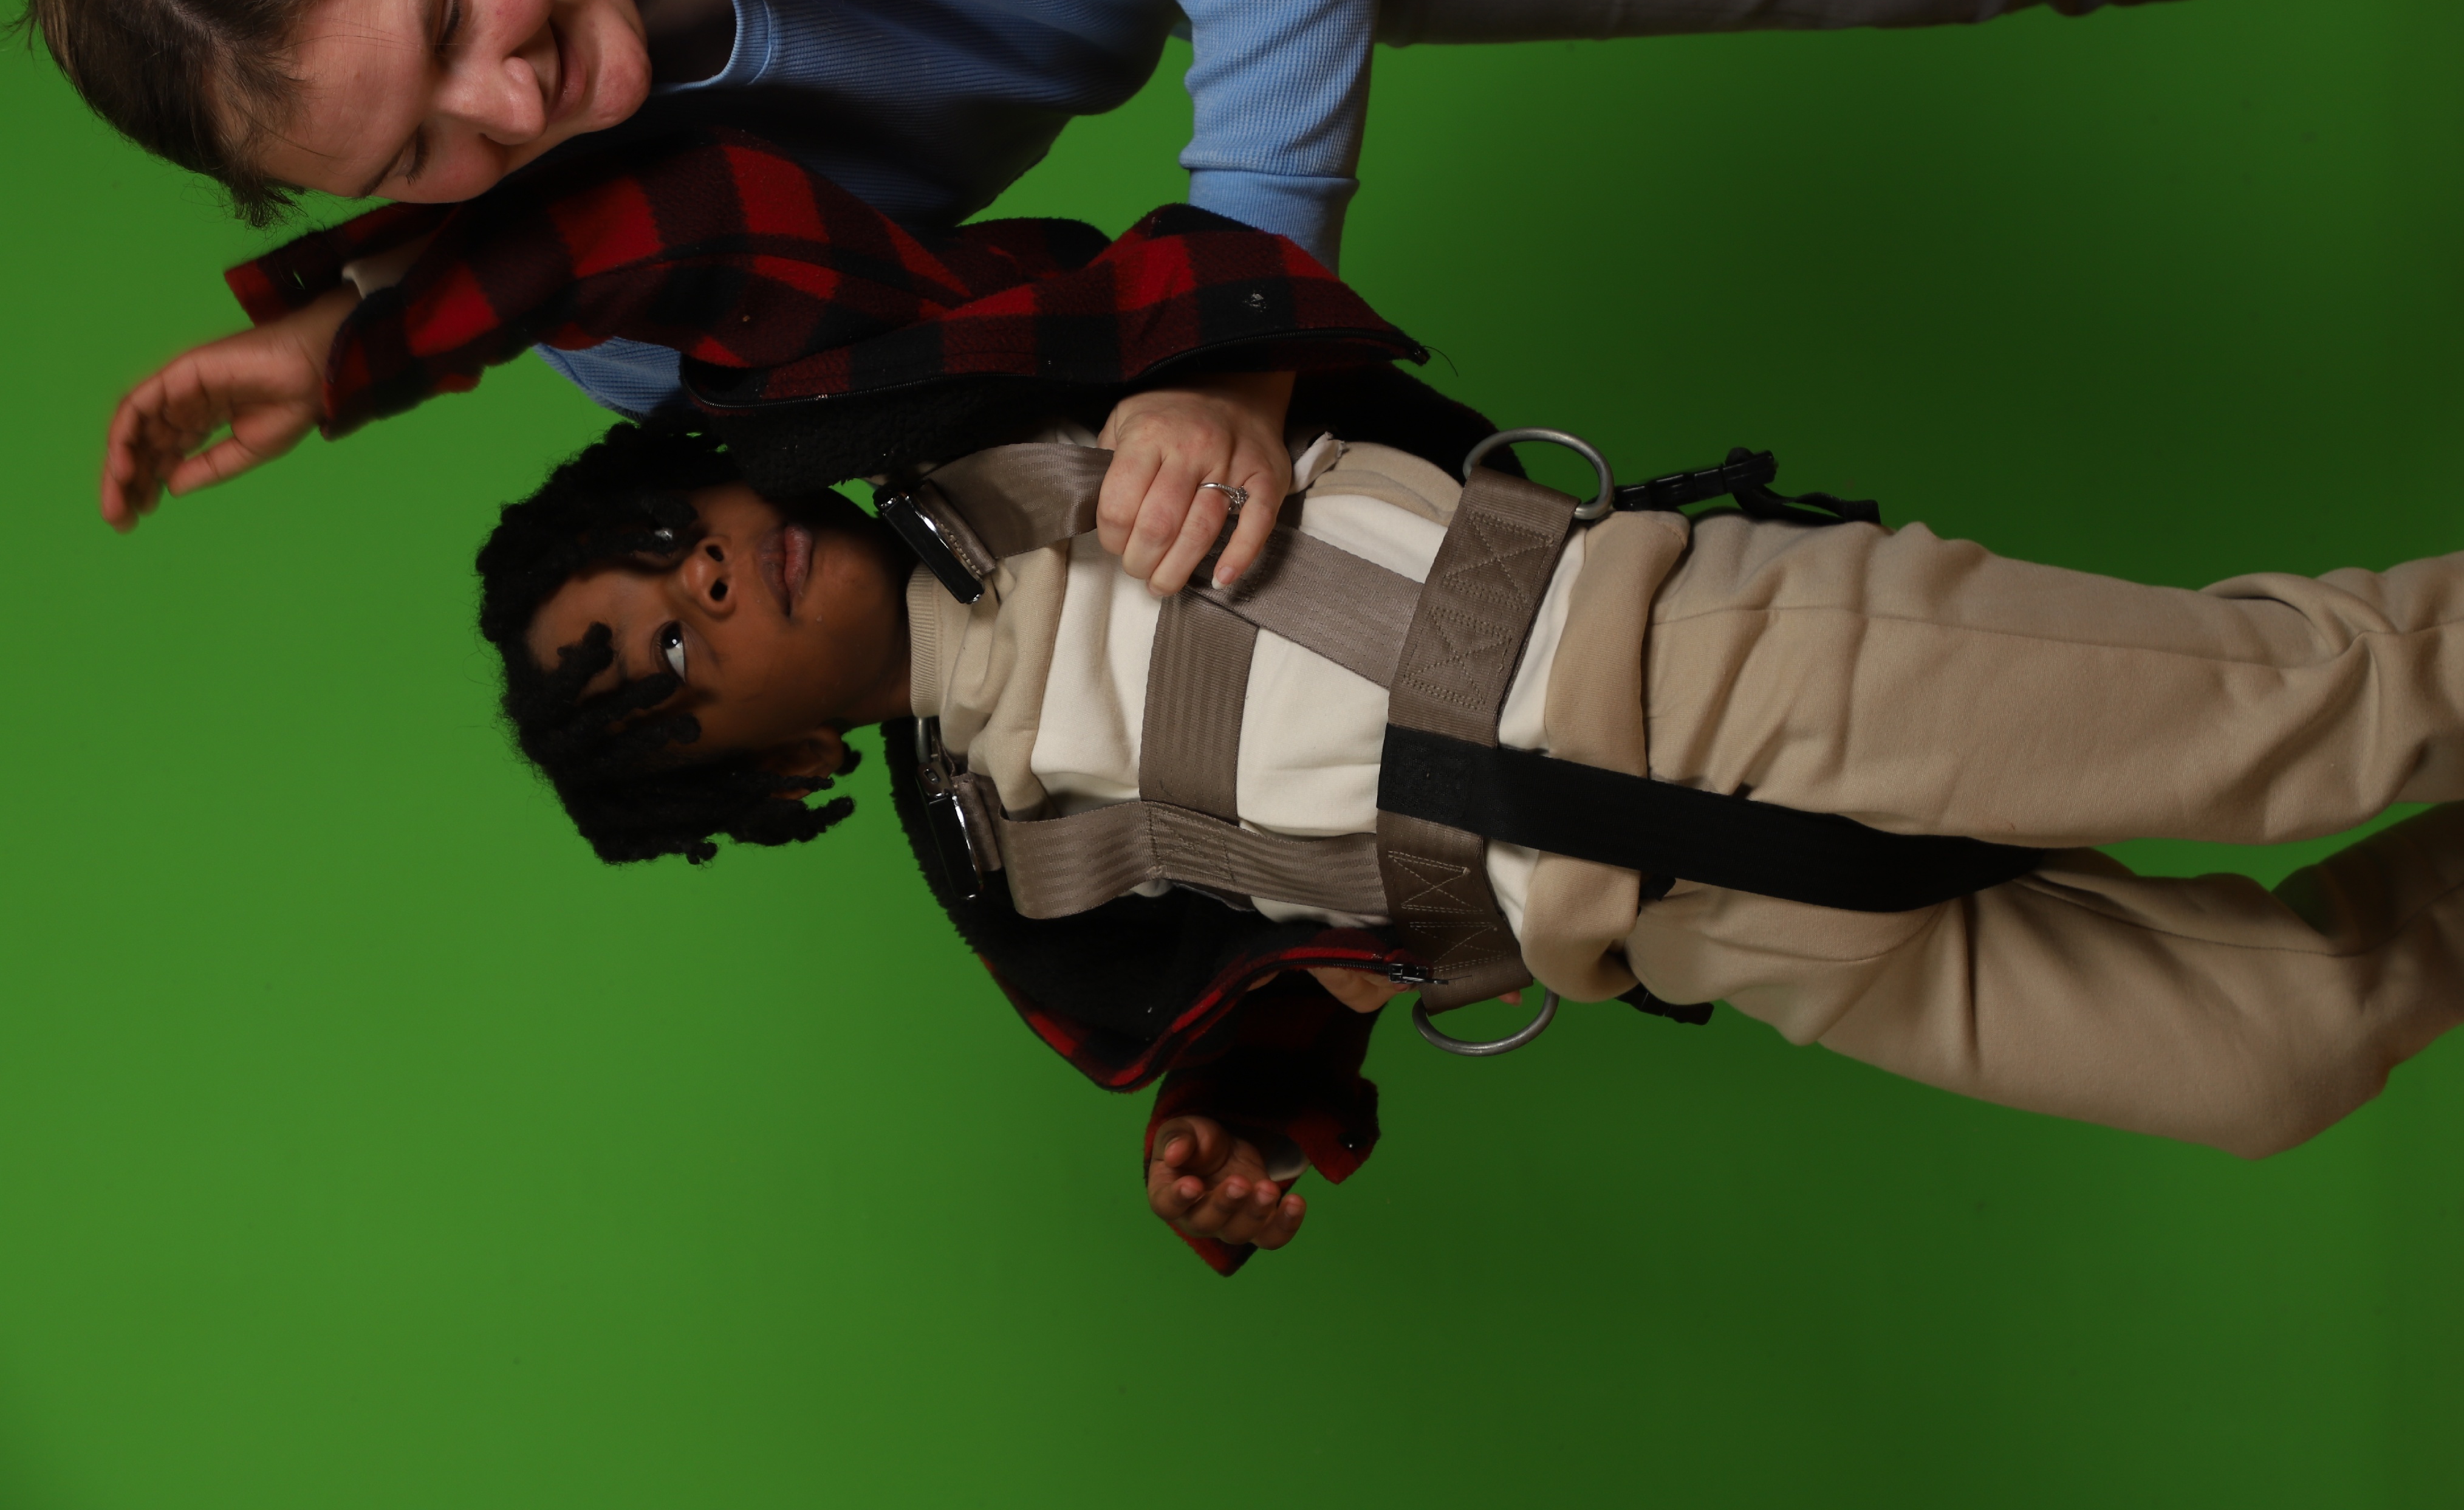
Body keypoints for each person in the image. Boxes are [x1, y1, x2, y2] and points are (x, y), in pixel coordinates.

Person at [479, 403, 2464, 1272]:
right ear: (758, 781)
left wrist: (1215, 386)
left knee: (2313, 717)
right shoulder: (1017, 877)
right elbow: (1271, 993)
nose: (703, 585)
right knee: (2269, 1051)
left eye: (666, 542)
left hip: (1699, 666)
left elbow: (763, 249)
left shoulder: (993, 416)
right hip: (1682, 923)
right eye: (666, 660)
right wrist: (1229, 1133)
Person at [41, 0, 2464, 528]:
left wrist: (1239, 324)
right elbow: (794, 347)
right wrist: (386, 328)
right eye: (419, 153)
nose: (512, 103)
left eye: (450, 11)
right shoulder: (566, 230)